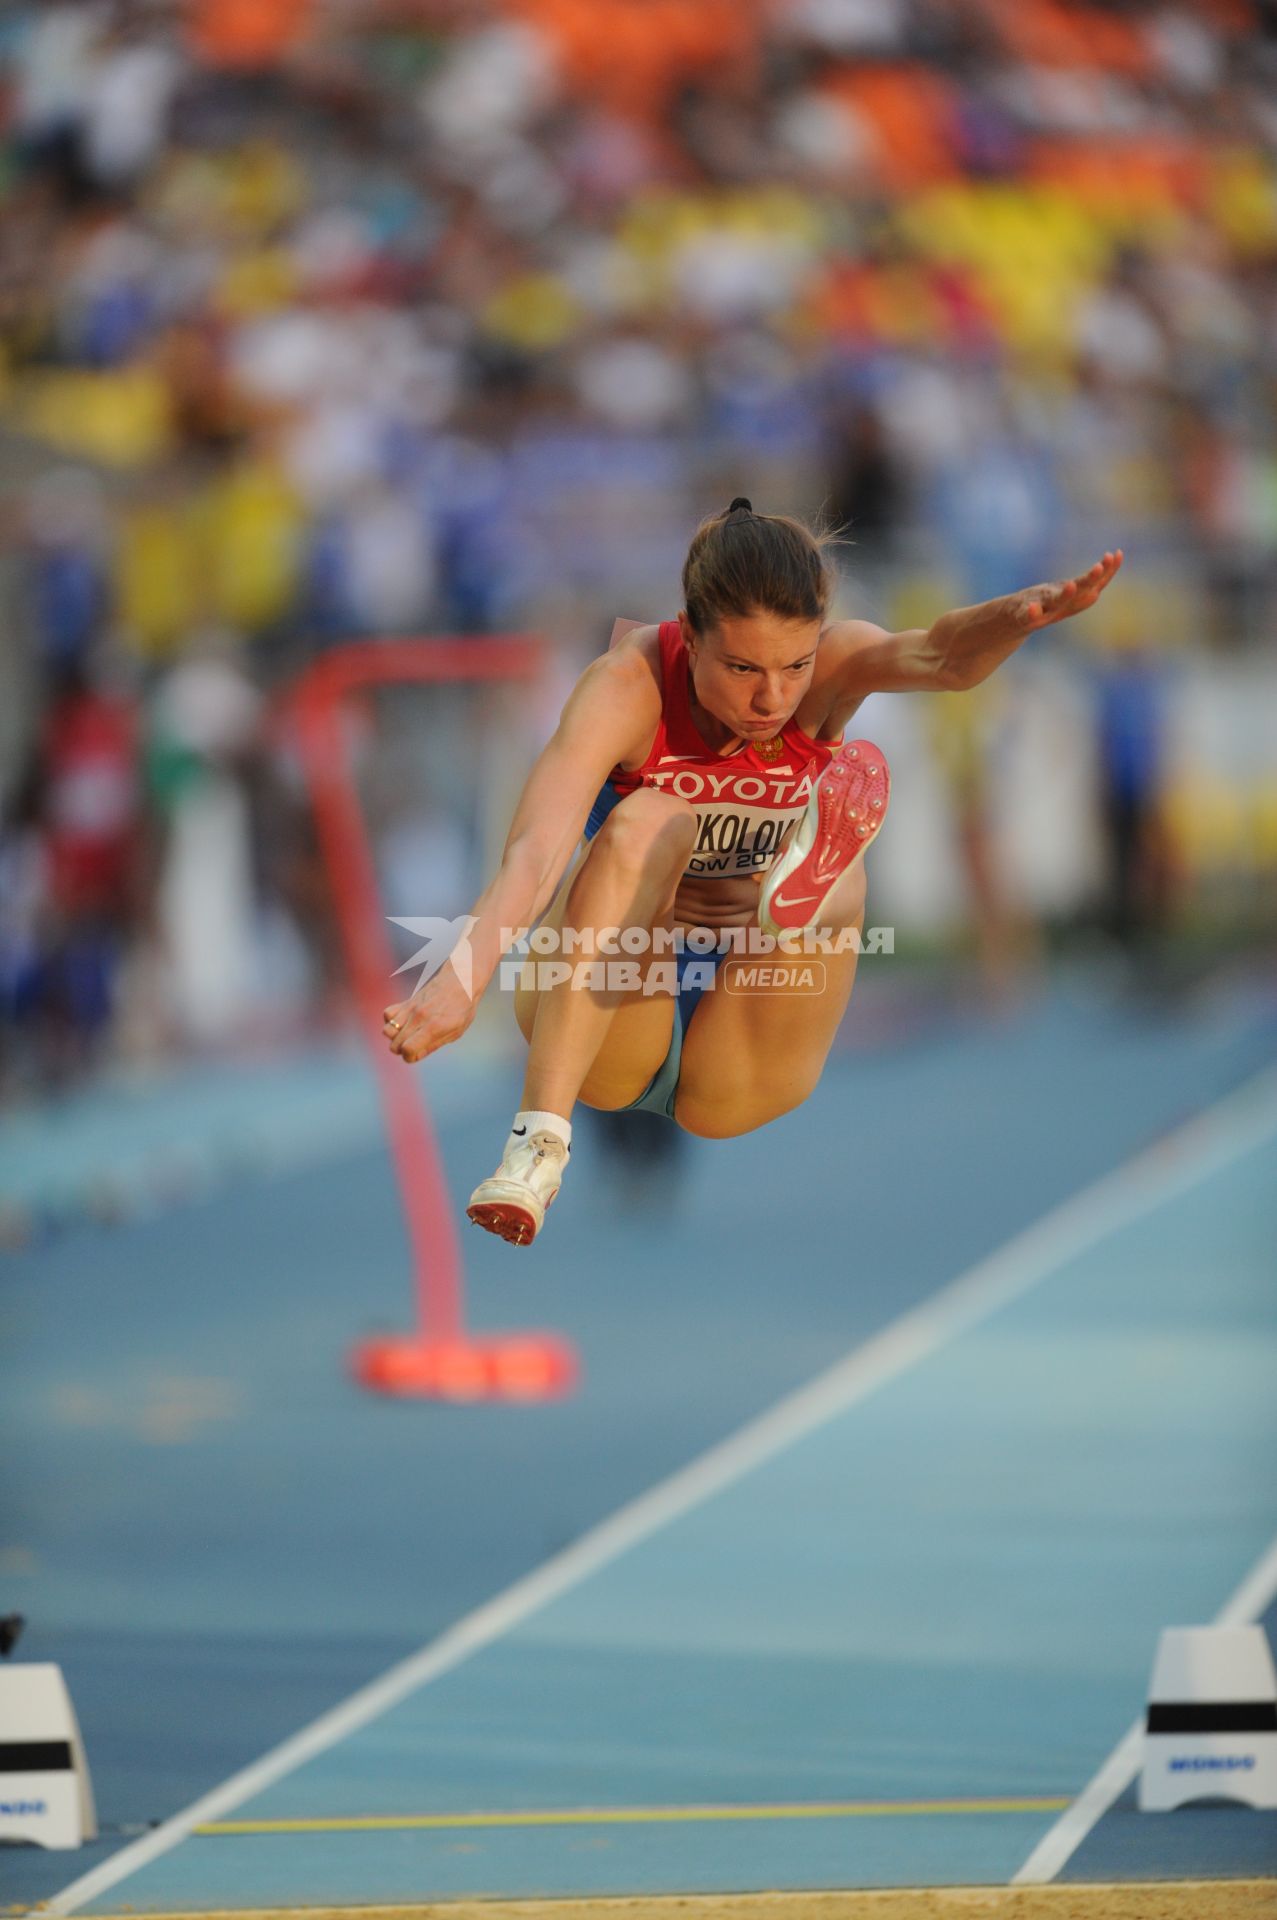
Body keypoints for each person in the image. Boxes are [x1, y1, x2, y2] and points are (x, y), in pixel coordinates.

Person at [383, 500, 1122, 1245]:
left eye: (792, 667)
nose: (770, 698)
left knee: (843, 871)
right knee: (646, 821)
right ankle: (535, 1149)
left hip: (746, 1036)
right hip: (612, 1008)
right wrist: (461, 978)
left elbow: (942, 656)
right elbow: (535, 852)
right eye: (741, 669)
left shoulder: (834, 670)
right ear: (689, 635)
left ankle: (795, 893)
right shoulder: (624, 687)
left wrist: (1016, 616)